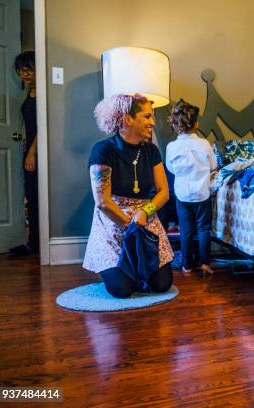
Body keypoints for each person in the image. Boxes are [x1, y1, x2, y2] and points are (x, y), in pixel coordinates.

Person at [83, 94, 174, 298]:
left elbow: (164, 193)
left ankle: (133, 269)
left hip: (145, 217)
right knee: (123, 289)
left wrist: (145, 212)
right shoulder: (103, 150)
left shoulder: (151, 151)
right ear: (128, 119)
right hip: (113, 219)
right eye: (147, 116)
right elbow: (103, 202)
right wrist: (129, 225)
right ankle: (111, 270)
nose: (152, 122)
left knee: (162, 284)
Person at [165, 99, 217, 274]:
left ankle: (187, 265)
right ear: (196, 123)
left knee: (185, 230)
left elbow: (170, 168)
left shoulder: (171, 147)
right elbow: (213, 166)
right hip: (202, 193)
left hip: (183, 196)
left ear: (175, 125)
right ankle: (205, 264)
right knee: (204, 229)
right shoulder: (204, 144)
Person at [10, 51, 39, 256]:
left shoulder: (44, 94)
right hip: (28, 148)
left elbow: (43, 127)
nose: (24, 74)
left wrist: (32, 153)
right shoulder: (29, 93)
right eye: (20, 70)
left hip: (36, 151)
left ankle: (37, 243)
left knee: (37, 196)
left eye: (28, 69)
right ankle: (33, 242)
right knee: (30, 195)